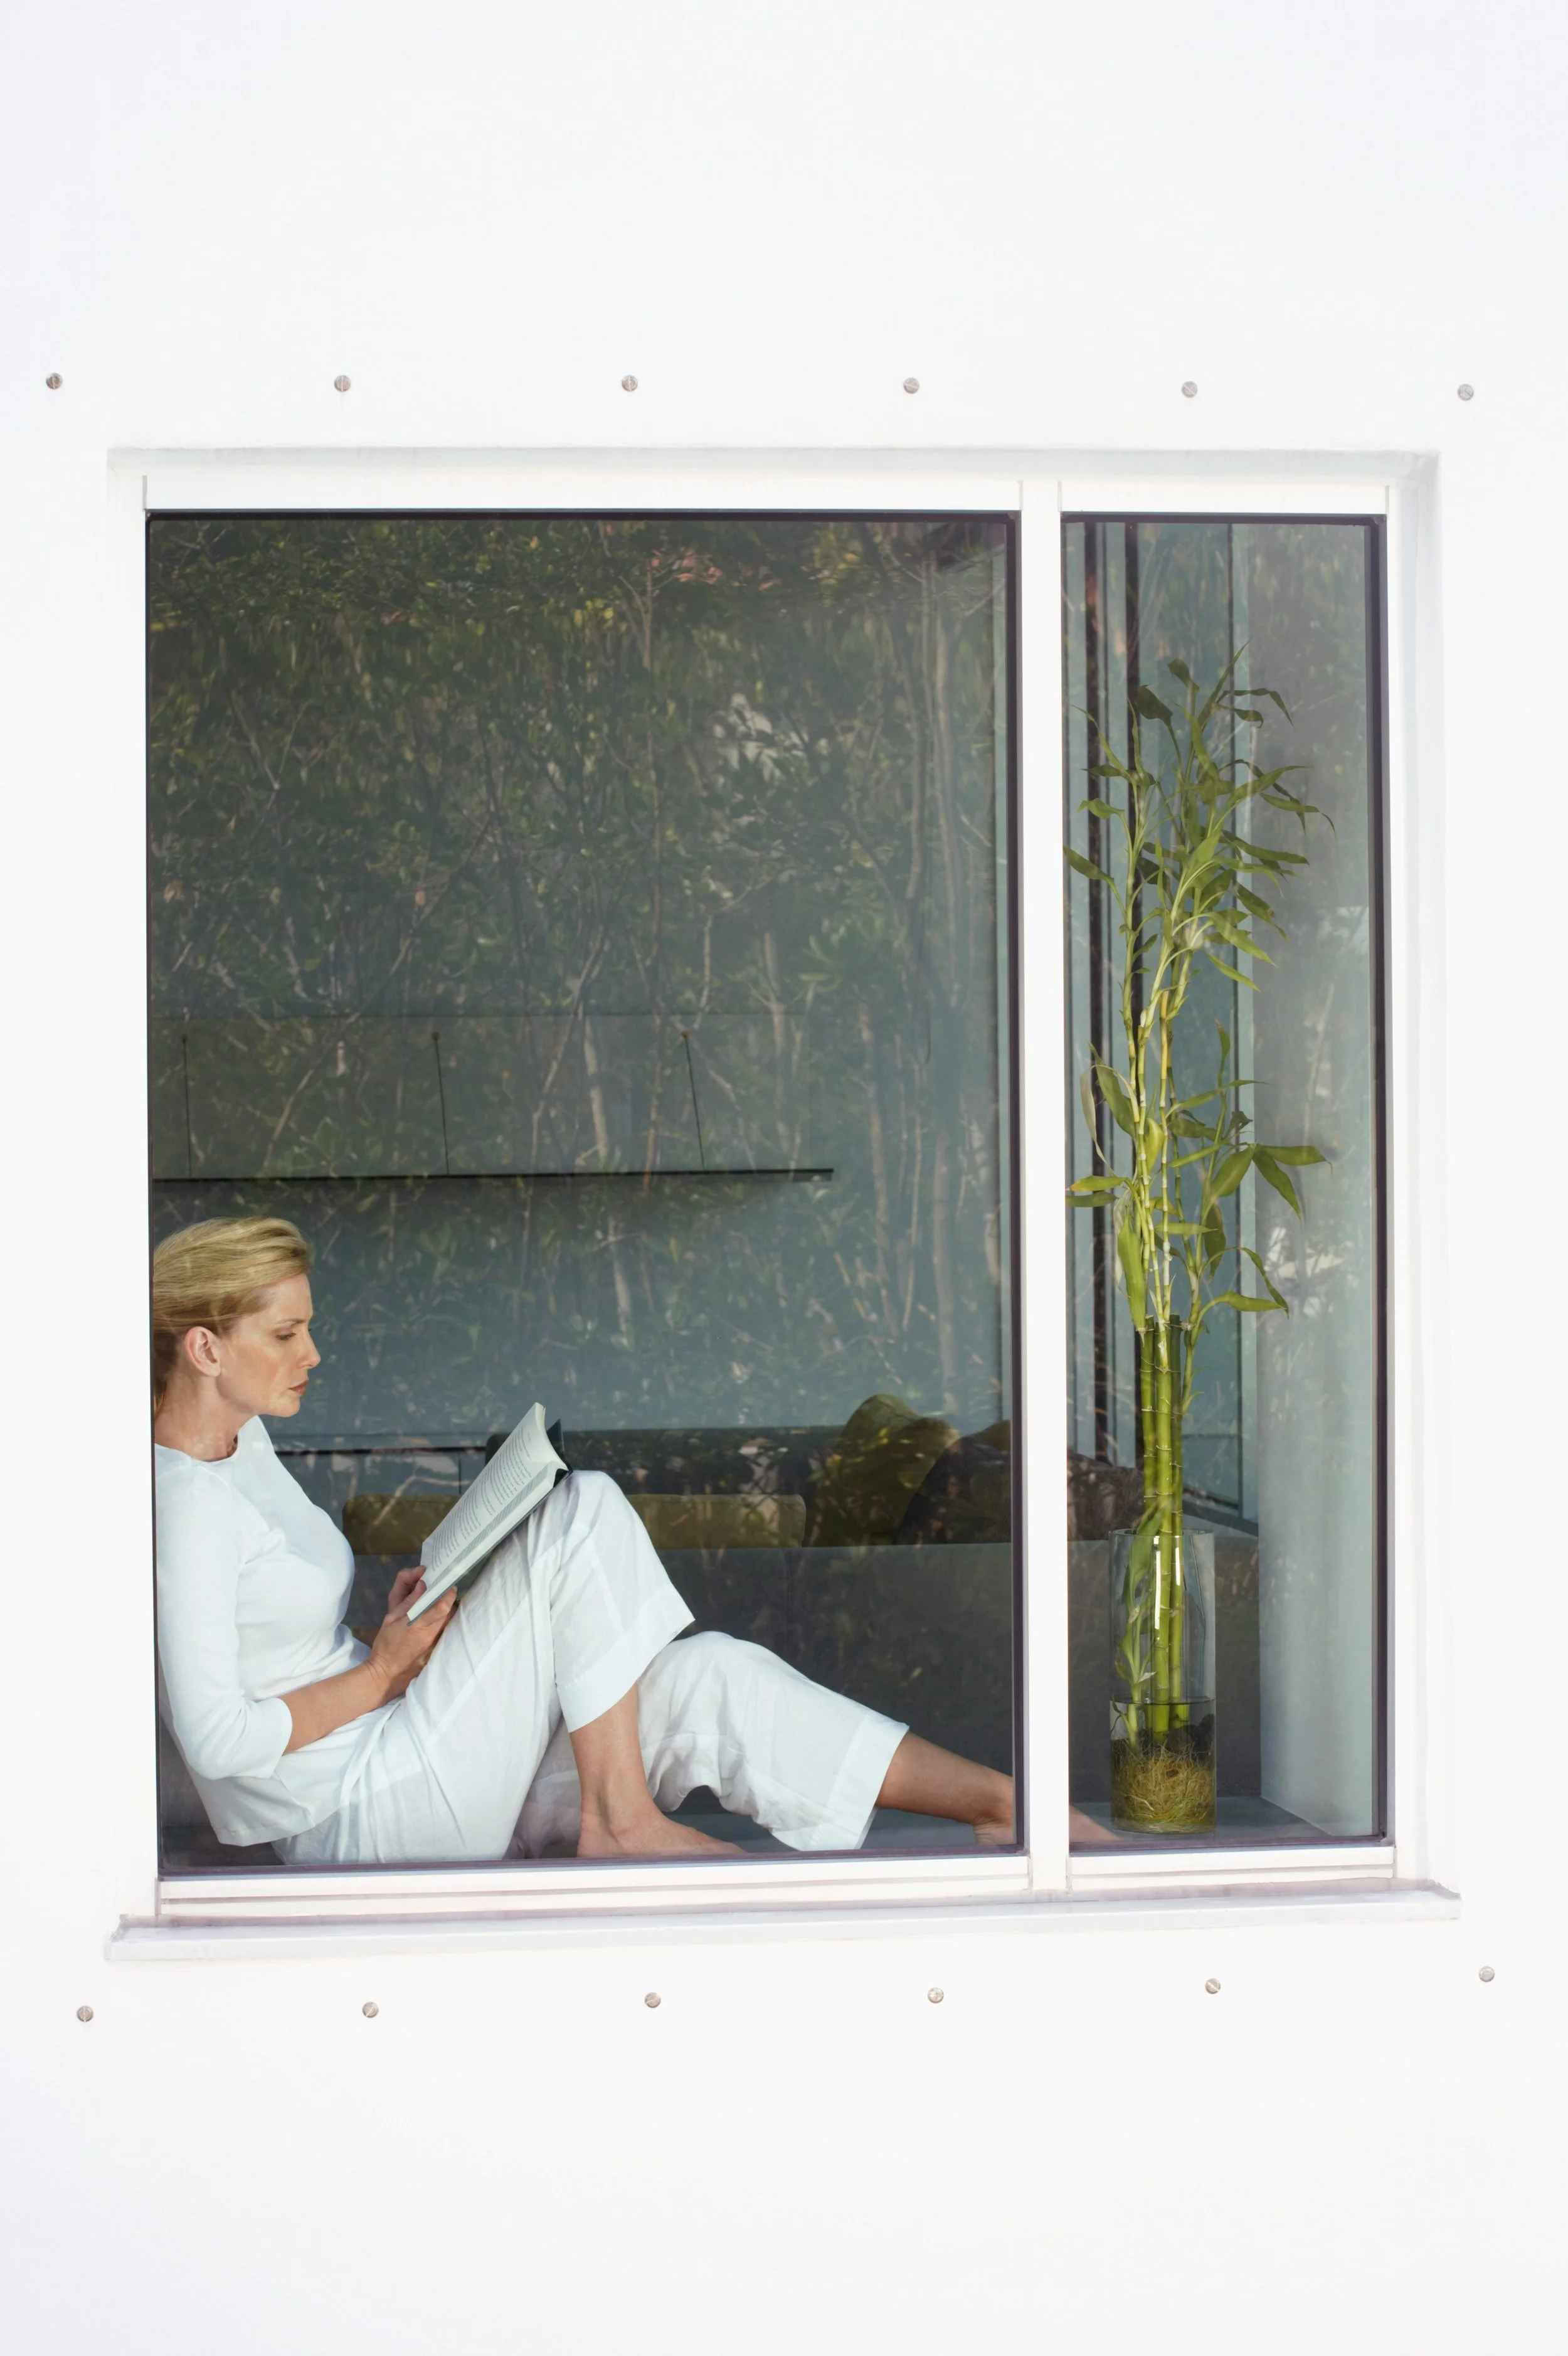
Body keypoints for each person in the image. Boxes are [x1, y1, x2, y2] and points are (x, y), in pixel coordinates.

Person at [152, 1216, 1015, 1865]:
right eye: (284, 1333)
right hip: (359, 1815)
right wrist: (381, 1672)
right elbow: (220, 1742)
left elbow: (279, 1631)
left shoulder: (241, 1439)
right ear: (205, 1349)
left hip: (396, 1740)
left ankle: (1004, 1806)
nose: (311, 1350)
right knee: (581, 1508)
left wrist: (397, 1640)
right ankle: (621, 1821)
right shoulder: (183, 1507)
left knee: (707, 1675)